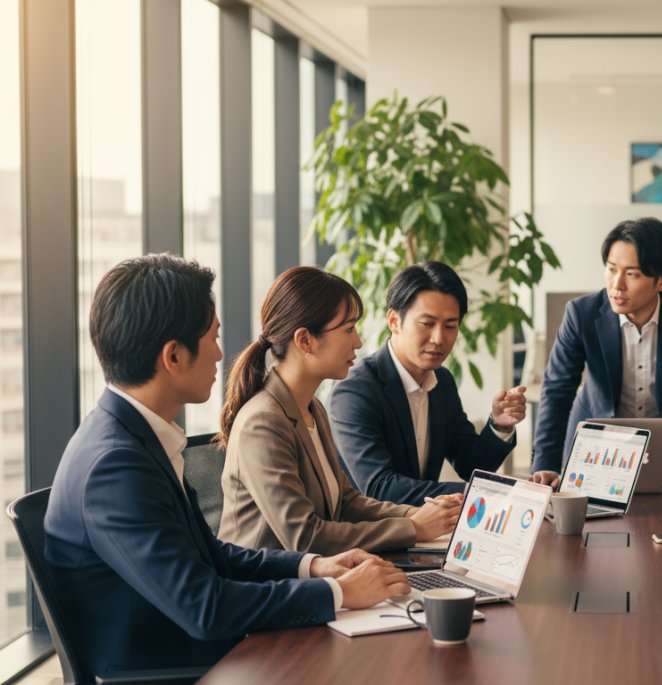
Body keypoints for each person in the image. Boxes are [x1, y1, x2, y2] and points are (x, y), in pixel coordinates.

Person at [43, 255, 410, 678]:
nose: (221, 353)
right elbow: (205, 607)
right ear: (174, 356)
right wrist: (336, 593)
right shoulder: (115, 465)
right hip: (177, 667)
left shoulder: (133, 437)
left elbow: (210, 555)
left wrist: (313, 567)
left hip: (203, 650)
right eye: (213, 338)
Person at [218, 266, 461, 555]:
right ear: (305, 340)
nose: (358, 341)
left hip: (320, 574)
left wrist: (413, 516)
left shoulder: (311, 407)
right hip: (267, 587)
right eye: (348, 329)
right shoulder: (264, 422)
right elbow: (305, 536)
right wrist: (414, 529)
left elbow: (346, 502)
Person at [531, 217, 662, 485]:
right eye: (611, 269)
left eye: (632, 274)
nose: (617, 284)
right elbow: (557, 390)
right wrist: (546, 462)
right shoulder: (581, 314)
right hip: (597, 446)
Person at [330, 262, 525, 506]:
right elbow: (379, 486)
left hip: (423, 531)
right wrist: (492, 492)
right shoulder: (356, 390)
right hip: (370, 535)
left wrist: (500, 425)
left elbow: (470, 464)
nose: (439, 338)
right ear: (394, 321)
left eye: (450, 326)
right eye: (427, 324)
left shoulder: (442, 381)